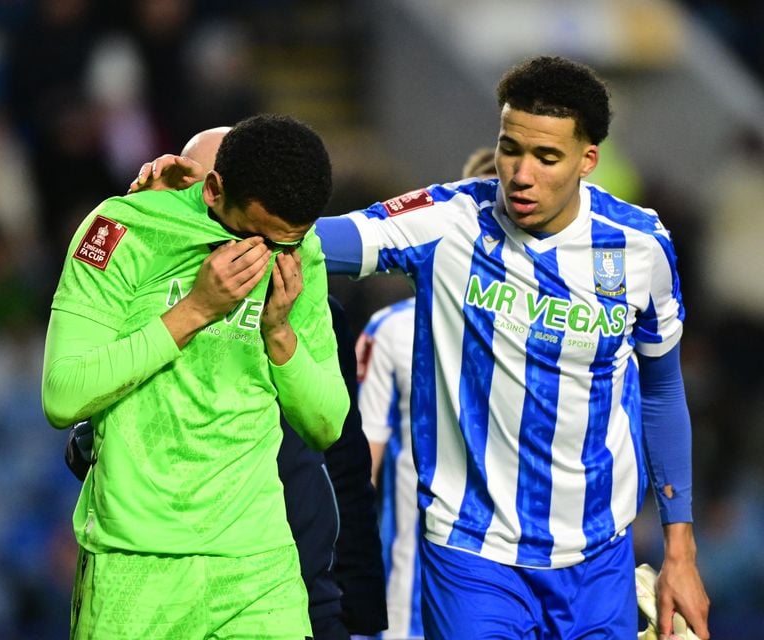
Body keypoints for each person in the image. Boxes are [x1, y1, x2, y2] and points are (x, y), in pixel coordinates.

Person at [129, 55, 711, 639]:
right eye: (510, 149)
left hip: (599, 561)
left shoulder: (640, 247)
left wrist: (679, 552)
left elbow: (661, 390)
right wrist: (189, 209)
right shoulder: (448, 221)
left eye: (547, 157)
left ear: (589, 160)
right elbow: (309, 237)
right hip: (473, 559)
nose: (520, 174)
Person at [41, 113, 349, 639]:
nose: (265, 255)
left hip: (258, 565)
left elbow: (327, 421)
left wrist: (279, 334)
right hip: (135, 563)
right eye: (253, 235)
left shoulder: (300, 250)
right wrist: (195, 309)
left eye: (284, 243)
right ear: (213, 190)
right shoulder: (123, 230)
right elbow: (63, 395)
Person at [354, 148, 497, 640]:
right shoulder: (391, 331)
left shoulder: (553, 334)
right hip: (411, 585)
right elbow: (364, 466)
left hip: (525, 570)